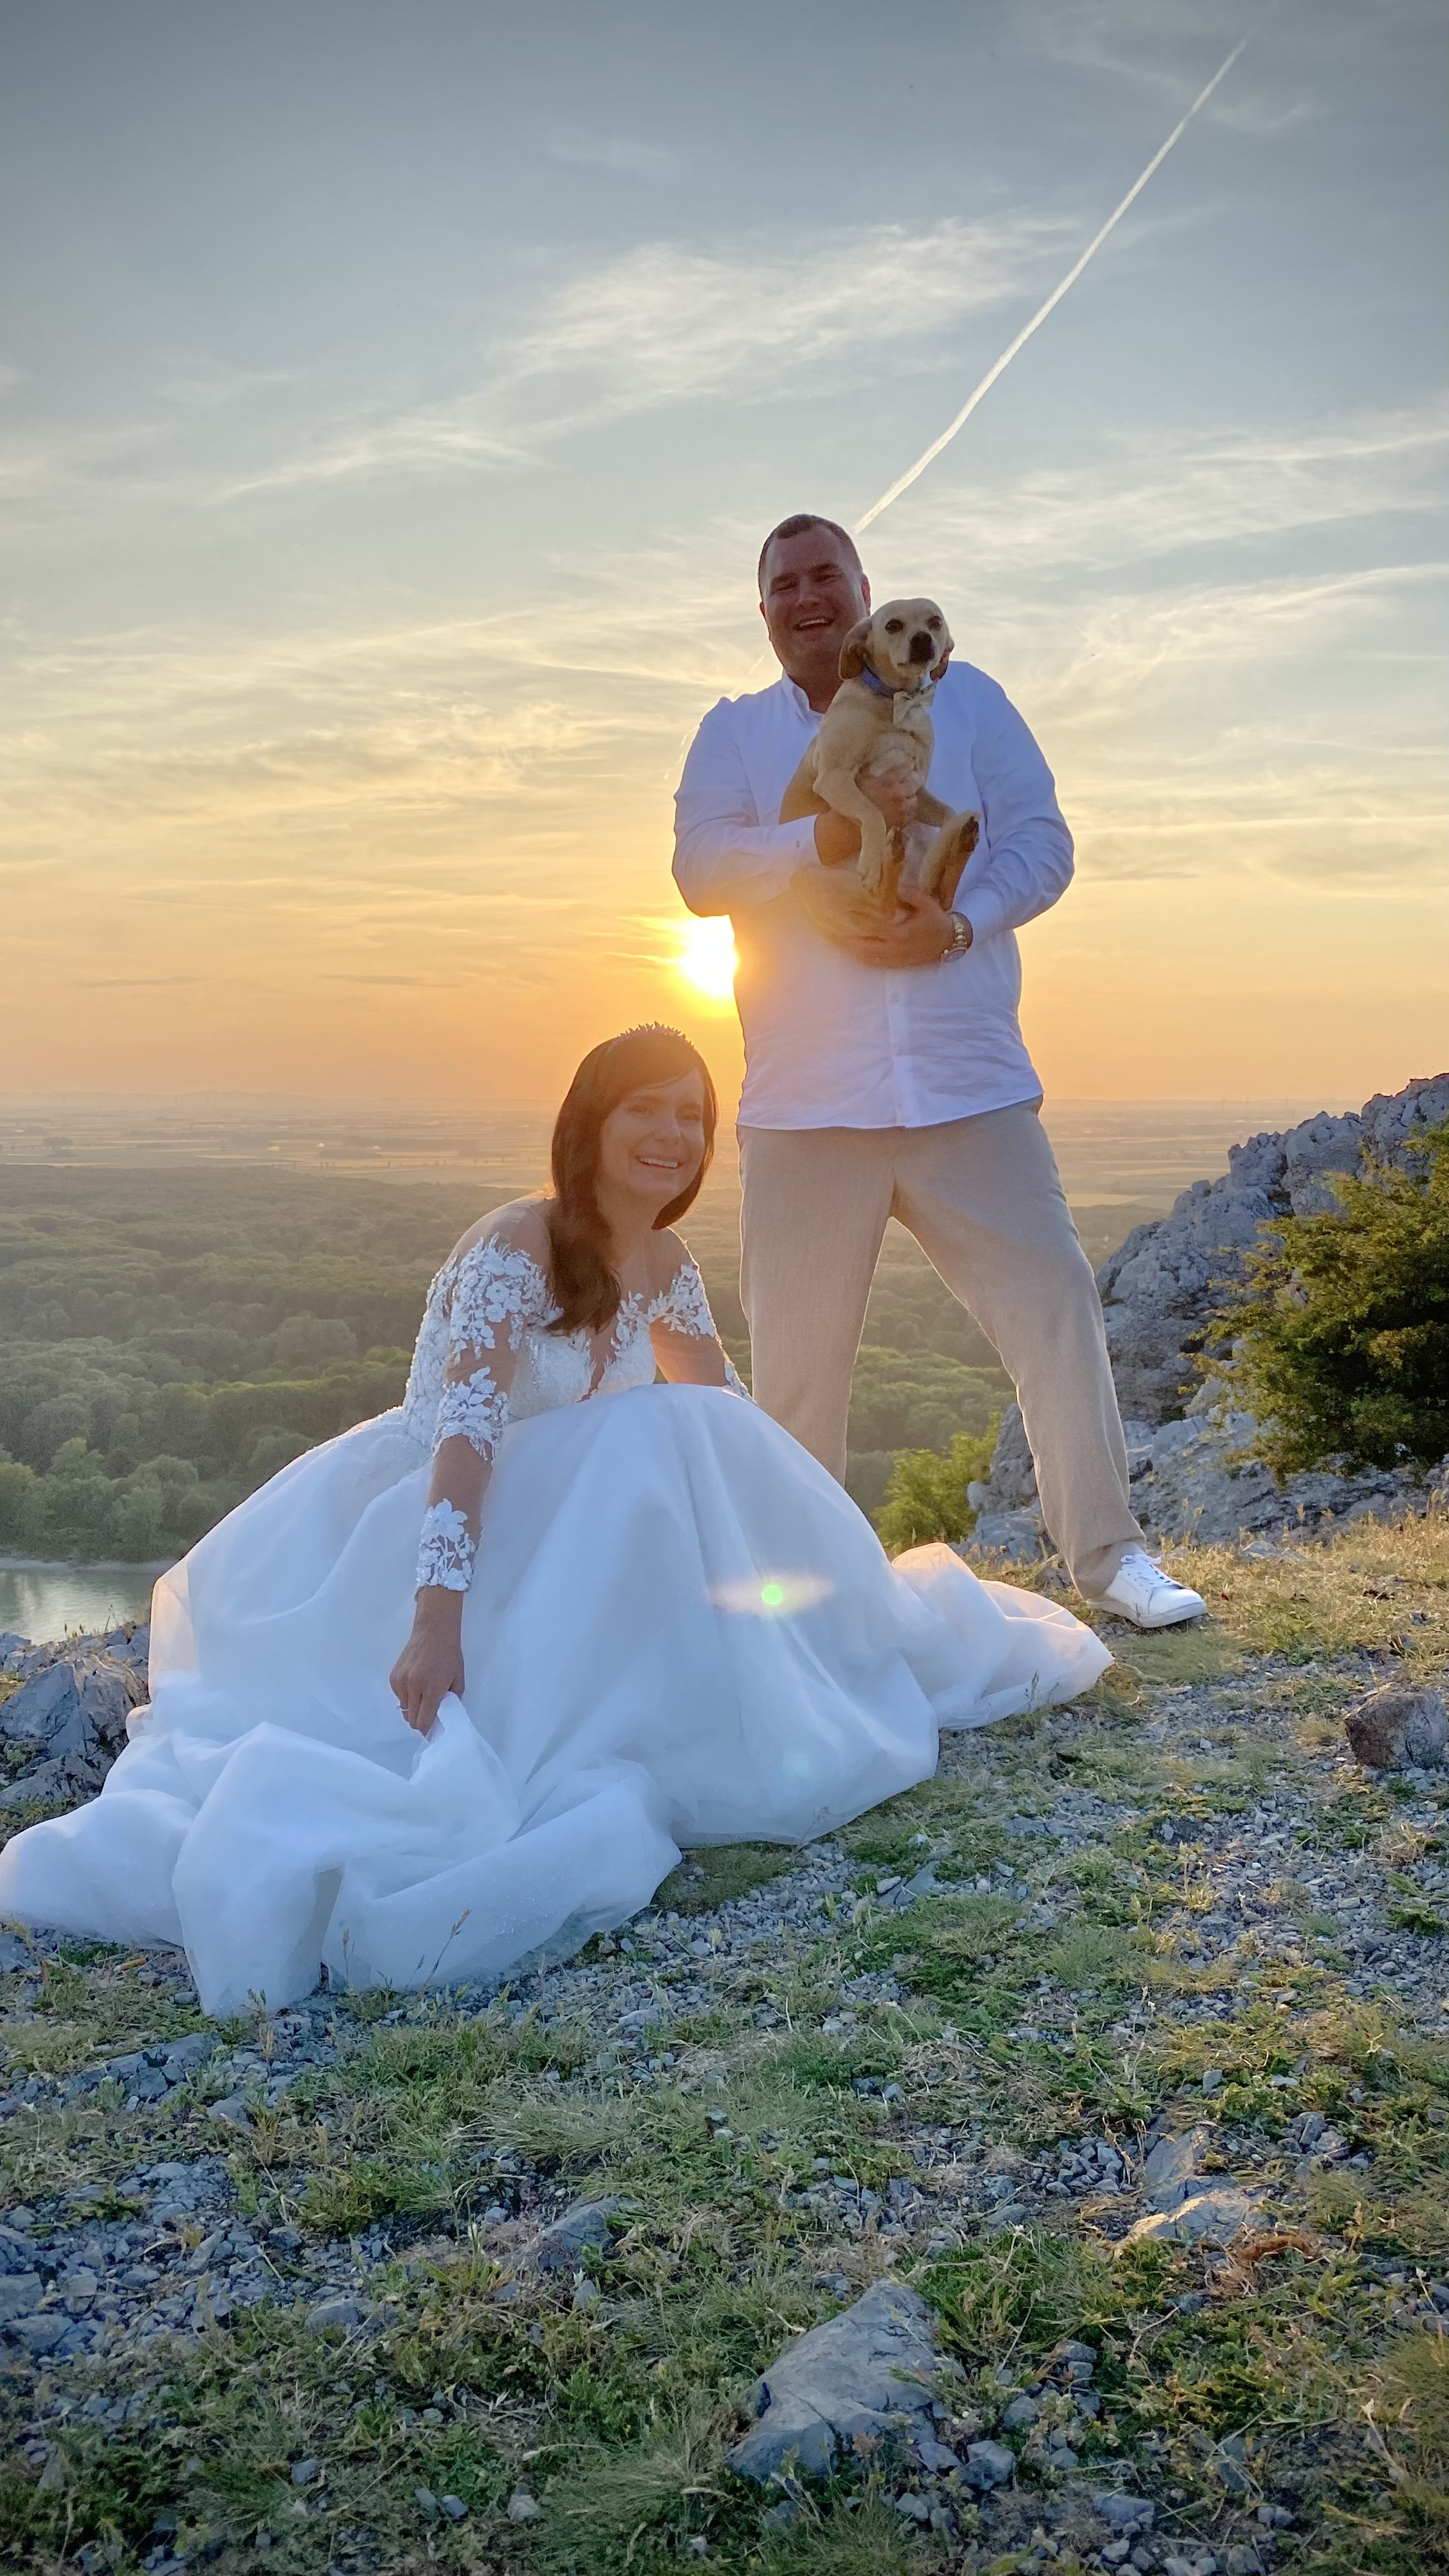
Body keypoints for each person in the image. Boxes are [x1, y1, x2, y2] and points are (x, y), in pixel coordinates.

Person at [0, 1025, 1110, 2016]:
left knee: (689, 1429)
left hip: (557, 1533)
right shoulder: (516, 1247)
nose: (673, 1134)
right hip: (427, 1519)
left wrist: (813, 1565)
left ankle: (799, 1653)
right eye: (649, 1109)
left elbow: (727, 1427)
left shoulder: (666, 1261)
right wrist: (438, 1622)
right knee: (648, 1438)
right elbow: (466, 1441)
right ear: (590, 1122)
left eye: (693, 1116)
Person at [673, 512, 1205, 1631]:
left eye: (828, 575)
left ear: (865, 591)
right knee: (801, 1374)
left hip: (972, 1085)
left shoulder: (972, 702)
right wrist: (820, 841)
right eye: (783, 584)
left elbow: (1043, 842)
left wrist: (957, 924)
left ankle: (1110, 1561)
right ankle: (802, 1603)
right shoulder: (733, 734)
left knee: (1057, 1308)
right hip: (808, 1105)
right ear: (763, 609)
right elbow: (701, 869)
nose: (807, 597)